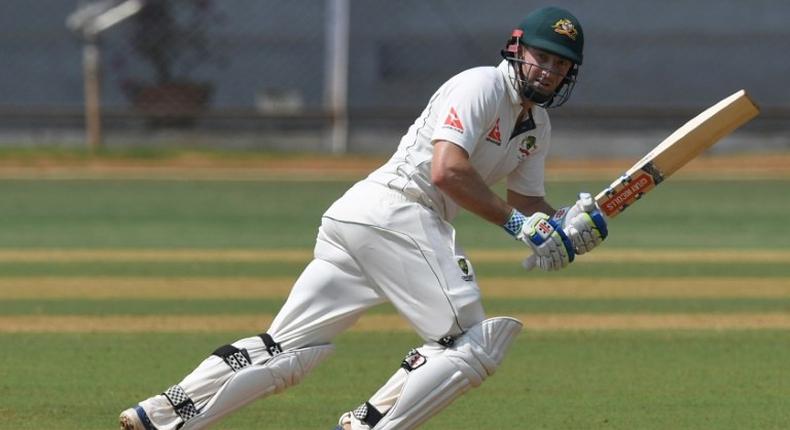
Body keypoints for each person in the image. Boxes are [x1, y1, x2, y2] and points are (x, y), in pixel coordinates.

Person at [119, 5, 608, 430]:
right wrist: (523, 229)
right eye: (541, 58)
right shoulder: (479, 86)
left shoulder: (535, 126)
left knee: (286, 350)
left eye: (559, 65)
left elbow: (526, 200)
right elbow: (447, 171)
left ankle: (162, 413)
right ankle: (366, 423)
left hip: (364, 220)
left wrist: (566, 224)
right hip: (397, 211)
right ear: (516, 49)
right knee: (470, 344)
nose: (547, 71)